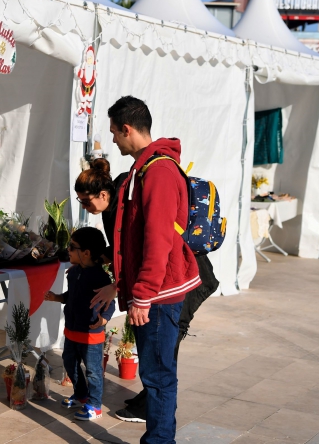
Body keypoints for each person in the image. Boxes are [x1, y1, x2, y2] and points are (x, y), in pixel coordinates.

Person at [75, 159, 219, 423]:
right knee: (158, 351)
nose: (85, 207)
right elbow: (122, 249)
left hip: (181, 276)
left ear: (103, 194)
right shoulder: (115, 201)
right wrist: (96, 259)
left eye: (85, 201)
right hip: (168, 277)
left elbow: (144, 249)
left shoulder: (124, 203)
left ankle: (152, 416)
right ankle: (148, 401)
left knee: (164, 350)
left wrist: (116, 286)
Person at [108, 95, 200, 443]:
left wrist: (142, 295)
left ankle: (160, 441)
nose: (113, 138)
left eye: (115, 132)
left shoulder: (158, 171)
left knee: (159, 376)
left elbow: (158, 239)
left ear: (128, 129)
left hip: (158, 295)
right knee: (156, 374)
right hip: (154, 292)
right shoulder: (147, 166)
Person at [44, 226, 116, 421]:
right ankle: (81, 394)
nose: (68, 249)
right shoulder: (74, 272)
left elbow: (110, 303)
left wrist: (104, 318)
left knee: (93, 371)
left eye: (71, 246)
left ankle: (95, 405)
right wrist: (57, 297)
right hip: (72, 331)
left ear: (86, 253)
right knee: (70, 363)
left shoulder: (100, 277)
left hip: (91, 334)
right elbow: (72, 296)